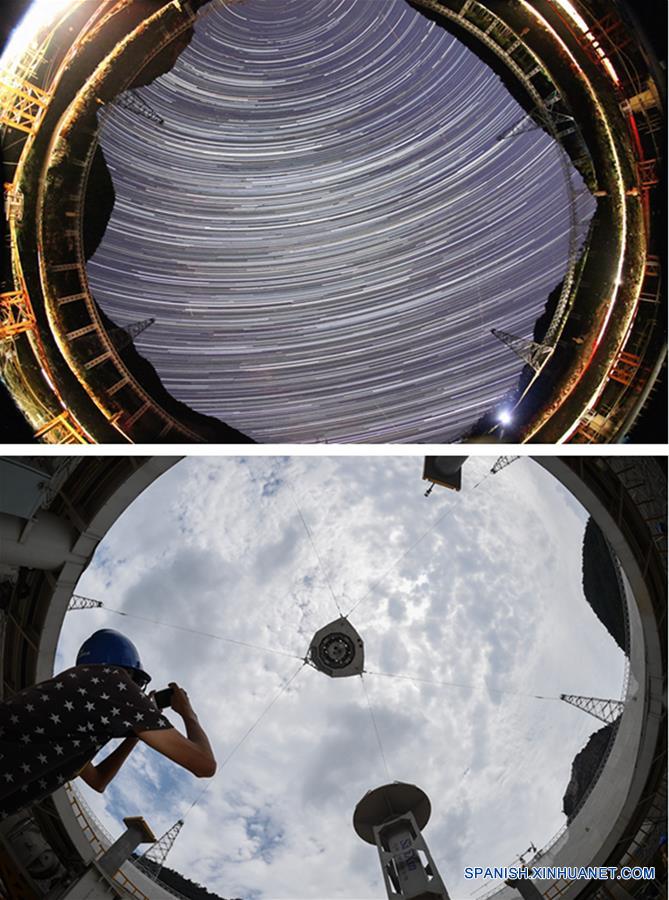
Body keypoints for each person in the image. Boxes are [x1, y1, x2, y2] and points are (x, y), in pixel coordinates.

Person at [0, 629, 216, 819]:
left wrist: (136, 733)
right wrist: (188, 713)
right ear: (129, 670)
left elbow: (98, 780)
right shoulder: (113, 681)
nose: (137, 690)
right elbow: (204, 764)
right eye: (137, 683)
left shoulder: (74, 695)